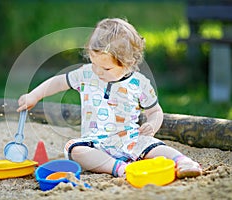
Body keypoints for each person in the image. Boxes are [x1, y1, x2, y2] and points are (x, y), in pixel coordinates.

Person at [17, 18, 202, 179]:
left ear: (129, 63)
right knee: (75, 150)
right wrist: (34, 95)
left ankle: (185, 162)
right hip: (96, 144)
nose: (98, 71)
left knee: (155, 146)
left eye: (106, 69)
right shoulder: (87, 74)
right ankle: (120, 168)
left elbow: (155, 111)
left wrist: (152, 124)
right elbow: (58, 82)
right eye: (94, 63)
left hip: (130, 140)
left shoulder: (139, 84)